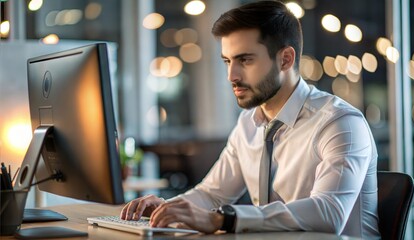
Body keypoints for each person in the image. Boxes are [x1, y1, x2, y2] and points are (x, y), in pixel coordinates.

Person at [121, 1, 380, 238]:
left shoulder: (340, 123)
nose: (231, 76)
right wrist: (169, 209)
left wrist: (224, 219)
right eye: (227, 61)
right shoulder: (249, 123)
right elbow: (213, 193)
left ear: (285, 59)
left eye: (245, 60)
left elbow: (329, 213)